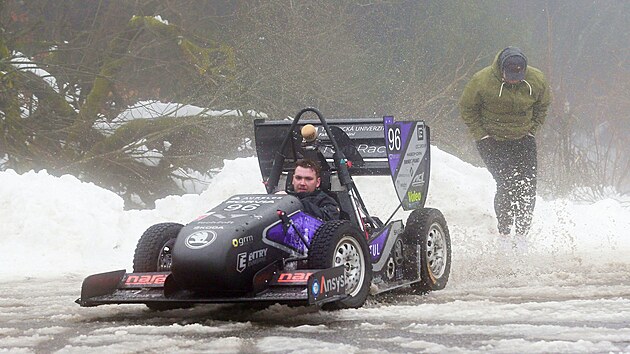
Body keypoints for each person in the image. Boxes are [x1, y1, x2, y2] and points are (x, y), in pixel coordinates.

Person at [459, 46, 551, 247]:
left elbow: (543, 105)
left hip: (523, 138)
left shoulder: (536, 80)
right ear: (501, 69)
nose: (514, 80)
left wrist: (532, 129)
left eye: (518, 75)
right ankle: (504, 234)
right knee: (507, 184)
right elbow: (467, 107)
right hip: (492, 141)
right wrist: (481, 135)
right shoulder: (482, 80)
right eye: (510, 75)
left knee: (527, 186)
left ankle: (522, 236)